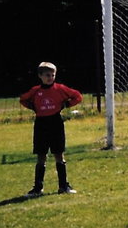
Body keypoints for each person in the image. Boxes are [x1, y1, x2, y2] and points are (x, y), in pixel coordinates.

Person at [20, 62, 82, 195]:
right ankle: (37, 188)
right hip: (41, 124)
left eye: (53, 75)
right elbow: (23, 99)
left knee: (59, 153)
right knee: (41, 154)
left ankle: (63, 186)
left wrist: (66, 104)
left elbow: (77, 96)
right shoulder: (36, 91)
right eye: (47, 75)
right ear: (40, 76)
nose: (50, 77)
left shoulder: (60, 89)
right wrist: (32, 107)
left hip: (56, 122)